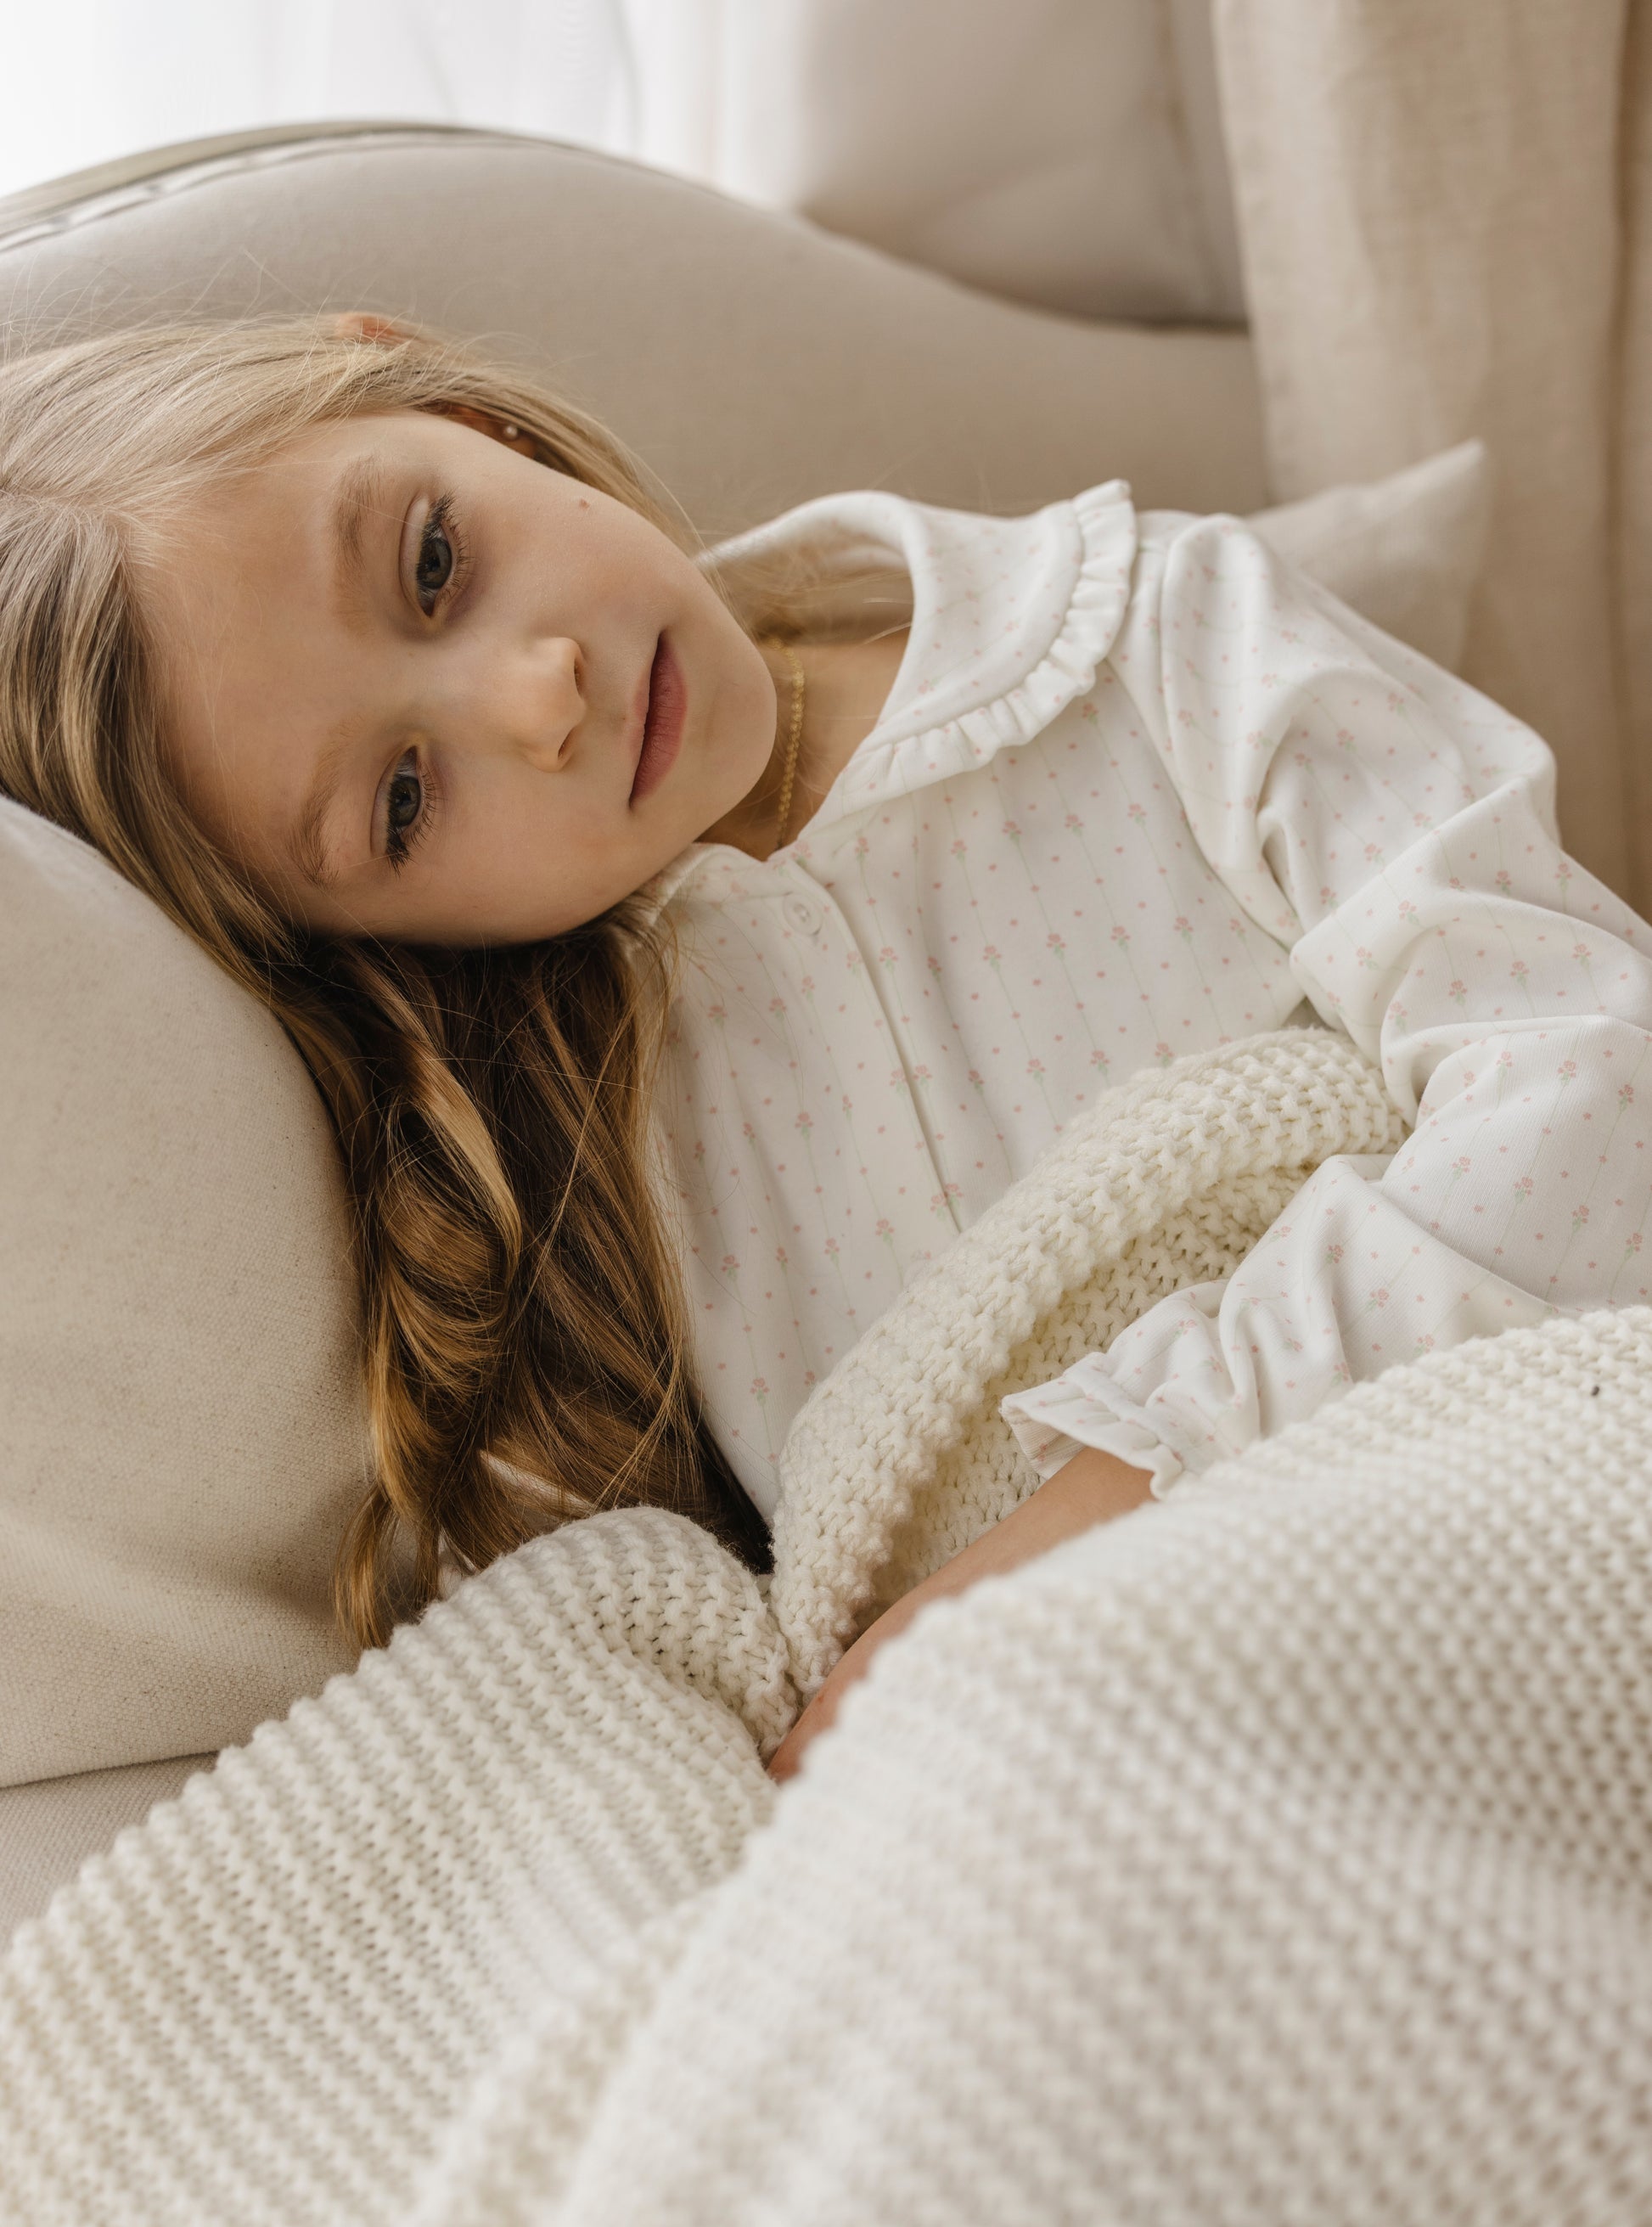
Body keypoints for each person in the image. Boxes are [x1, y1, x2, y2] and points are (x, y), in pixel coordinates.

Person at [5, 312, 1652, 1782]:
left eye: (434, 562)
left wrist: (1080, 1535)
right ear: (351, 943)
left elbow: (1592, 1073)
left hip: (1521, 1486)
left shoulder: (1167, 640)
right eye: (404, 800)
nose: (538, 698)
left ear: (451, 410)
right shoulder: (562, 1160)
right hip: (1118, 1773)